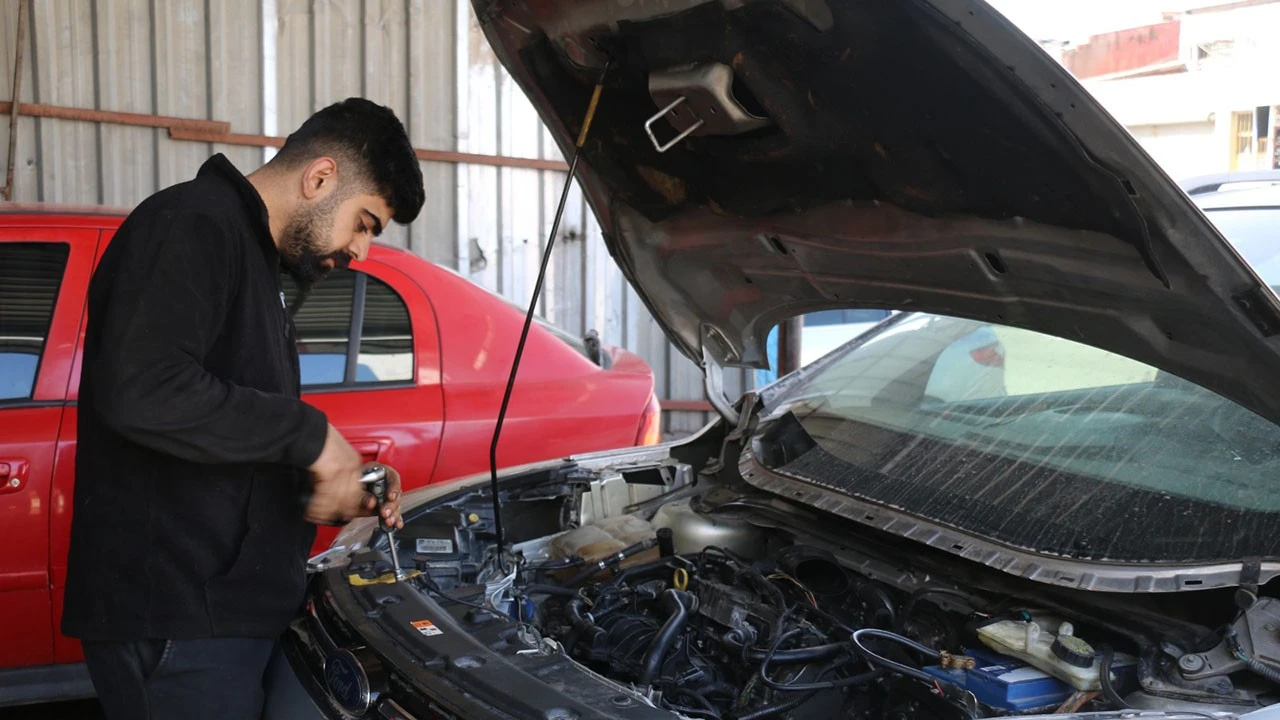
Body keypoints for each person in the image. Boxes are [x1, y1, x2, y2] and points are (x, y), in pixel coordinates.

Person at [62, 97, 425, 719]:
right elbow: (143, 386)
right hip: (177, 616)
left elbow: (225, 428)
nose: (361, 251)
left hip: (223, 609)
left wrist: (341, 483)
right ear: (320, 178)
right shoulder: (191, 224)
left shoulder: (256, 259)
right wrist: (308, 434)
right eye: (364, 222)